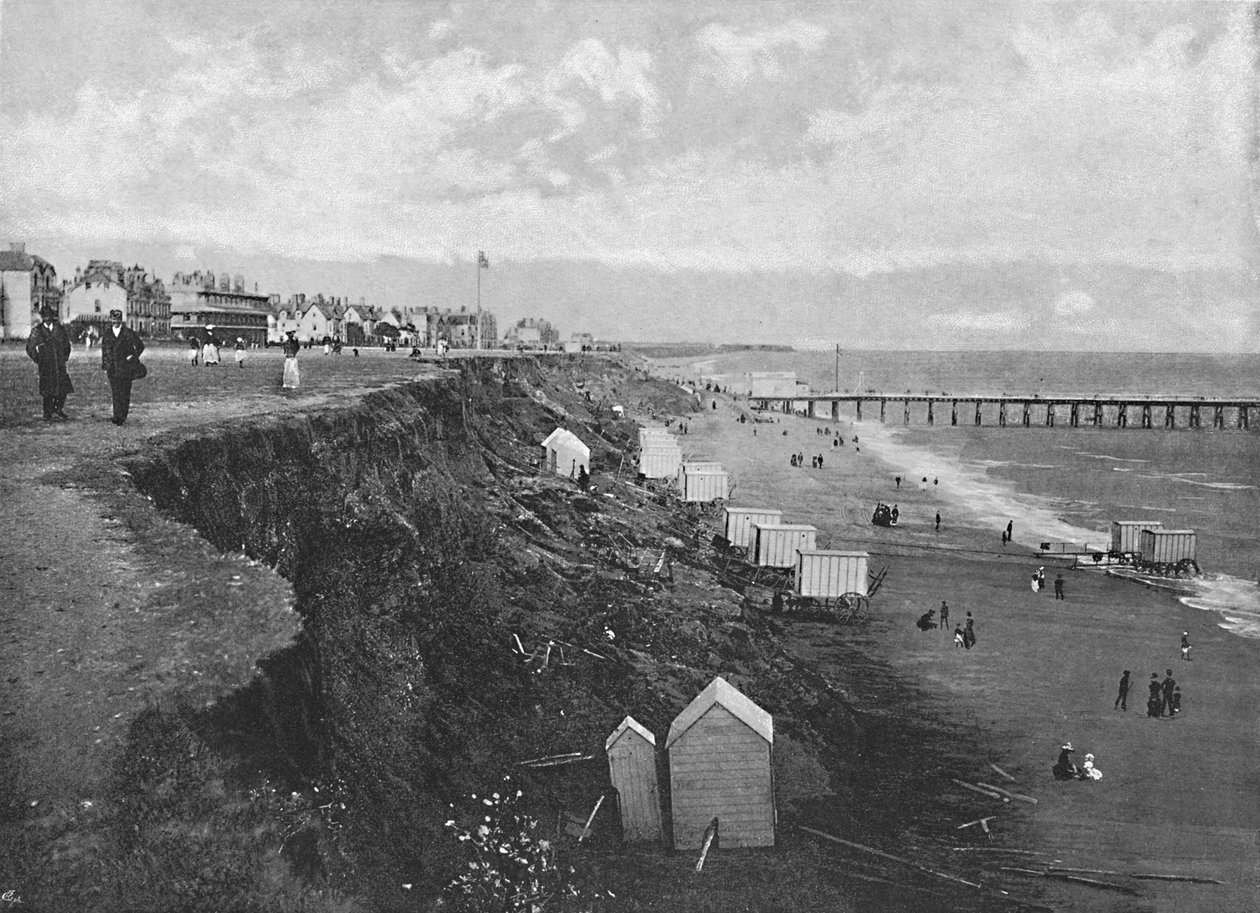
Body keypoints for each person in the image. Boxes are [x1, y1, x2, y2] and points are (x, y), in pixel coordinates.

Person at [25, 304, 74, 422]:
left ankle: (58, 409)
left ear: (52, 316)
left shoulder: (60, 329)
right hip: (46, 366)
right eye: (45, 316)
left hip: (59, 364)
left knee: (63, 388)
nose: (47, 318)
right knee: (47, 390)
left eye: (49, 316)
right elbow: (30, 348)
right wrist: (39, 359)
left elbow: (67, 345)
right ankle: (47, 413)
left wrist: (64, 358)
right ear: (42, 317)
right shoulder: (37, 331)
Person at [100, 308, 145, 425]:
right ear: (110, 320)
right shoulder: (107, 334)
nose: (115, 321)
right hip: (112, 368)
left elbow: (140, 346)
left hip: (126, 368)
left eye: (118, 319)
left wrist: (132, 357)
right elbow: (104, 350)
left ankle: (122, 416)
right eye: (113, 319)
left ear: (121, 320)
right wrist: (105, 364)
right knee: (115, 392)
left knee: (124, 392)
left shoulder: (128, 333)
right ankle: (116, 415)